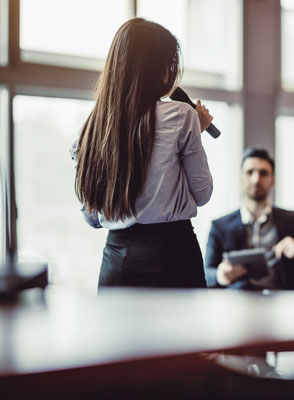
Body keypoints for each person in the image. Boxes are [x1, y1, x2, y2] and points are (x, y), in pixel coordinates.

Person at [72, 18, 213, 289]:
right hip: (174, 256)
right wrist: (198, 128)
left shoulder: (90, 129)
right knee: (184, 333)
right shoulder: (181, 115)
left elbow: (92, 218)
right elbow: (203, 194)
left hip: (117, 259)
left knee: (118, 333)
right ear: (160, 68)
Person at [205, 147, 294, 290]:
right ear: (241, 178)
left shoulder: (293, 220)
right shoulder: (220, 226)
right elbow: (206, 272)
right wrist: (220, 275)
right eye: (250, 172)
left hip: (284, 301)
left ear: (272, 180)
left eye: (263, 173)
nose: (256, 179)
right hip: (237, 301)